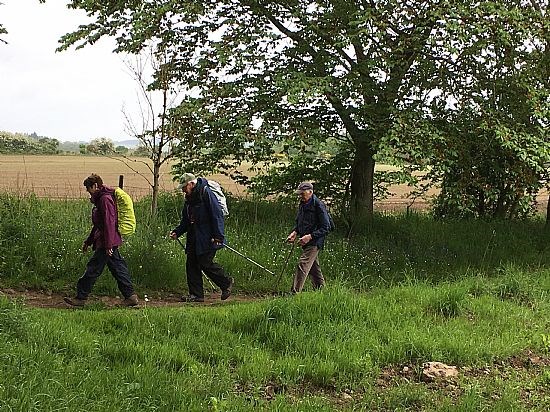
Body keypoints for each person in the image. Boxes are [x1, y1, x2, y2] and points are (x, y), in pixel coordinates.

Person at [64, 174, 139, 307]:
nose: (87, 191)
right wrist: (89, 241)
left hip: (106, 241)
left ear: (95, 186)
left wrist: (108, 245)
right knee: (118, 268)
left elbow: (109, 223)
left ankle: (81, 298)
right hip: (107, 240)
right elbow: (99, 225)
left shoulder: (105, 200)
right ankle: (130, 296)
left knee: (93, 268)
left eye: (88, 188)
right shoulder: (101, 199)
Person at [170, 173, 234, 302]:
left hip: (208, 236)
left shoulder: (206, 193)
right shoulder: (189, 198)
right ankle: (196, 295)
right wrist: (177, 232)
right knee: (191, 263)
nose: (183, 190)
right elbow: (186, 220)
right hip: (194, 234)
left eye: (184, 187)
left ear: (191, 184)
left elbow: (217, 215)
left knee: (205, 262)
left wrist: (218, 236)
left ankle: (226, 282)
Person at [286, 181, 331, 294]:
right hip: (306, 239)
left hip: (315, 241)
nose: (300, 195)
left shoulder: (319, 205)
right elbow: (300, 221)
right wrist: (295, 232)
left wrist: (310, 237)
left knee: (303, 264)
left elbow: (326, 227)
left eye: (302, 193)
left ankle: (294, 294)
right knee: (313, 267)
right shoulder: (303, 203)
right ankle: (322, 291)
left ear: (310, 192)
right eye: (299, 193)